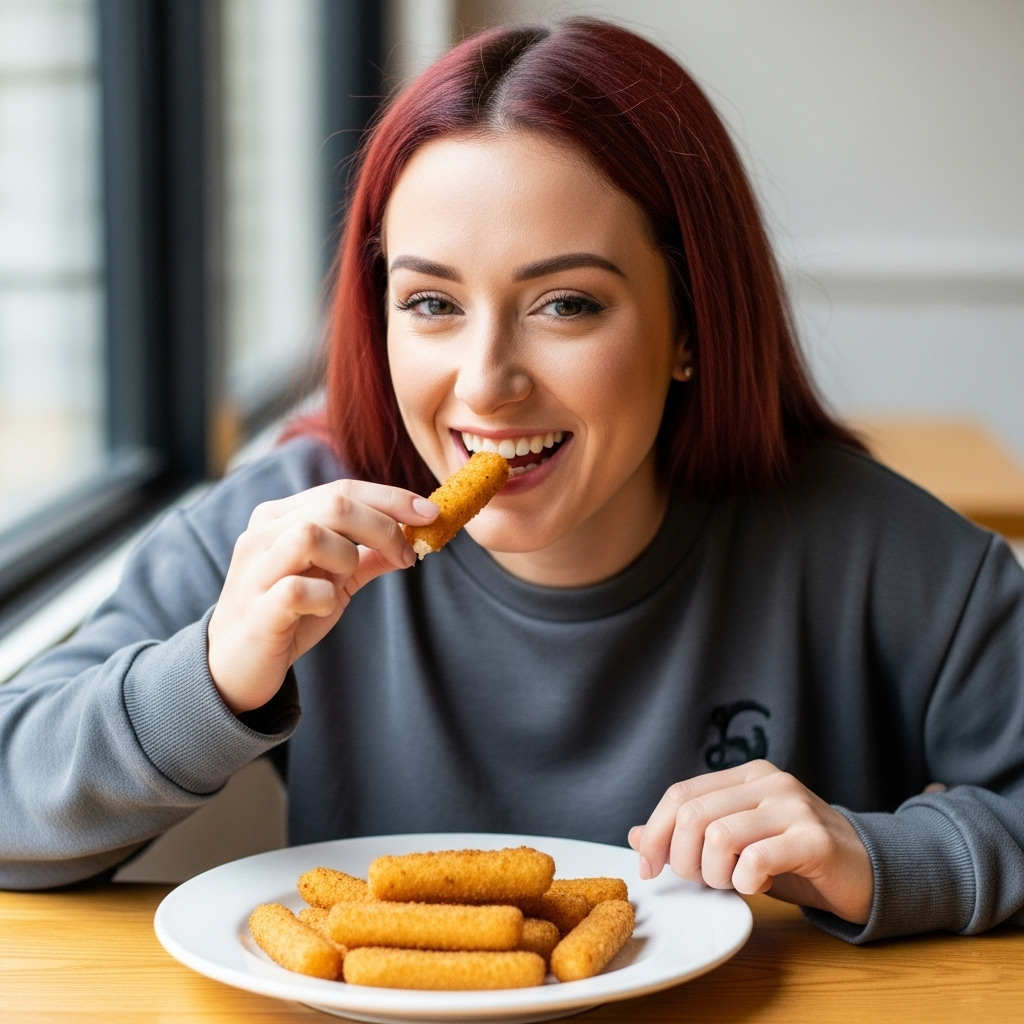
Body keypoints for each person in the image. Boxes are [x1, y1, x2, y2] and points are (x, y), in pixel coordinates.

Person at [2, 19, 1023, 945]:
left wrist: (875, 857)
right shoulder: (293, 530)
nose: (486, 380)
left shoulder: (868, 548)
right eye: (432, 303)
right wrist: (217, 675)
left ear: (688, 327)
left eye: (566, 303)